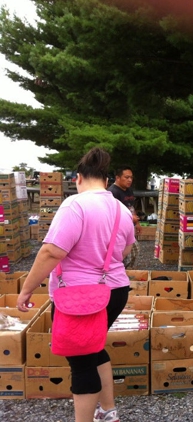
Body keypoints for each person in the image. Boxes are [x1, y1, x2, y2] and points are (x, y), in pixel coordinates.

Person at [17, 147, 135, 422]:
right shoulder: (120, 208)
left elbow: (51, 252)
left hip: (81, 297)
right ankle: (108, 411)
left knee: (81, 363)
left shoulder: (75, 205)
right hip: (116, 291)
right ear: (106, 180)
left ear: (78, 178)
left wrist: (27, 289)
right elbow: (126, 249)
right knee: (95, 348)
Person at [108, 165, 140, 268]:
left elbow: (131, 207)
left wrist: (137, 223)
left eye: (131, 177)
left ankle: (124, 271)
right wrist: (131, 218)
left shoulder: (129, 190)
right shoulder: (113, 192)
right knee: (129, 252)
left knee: (132, 252)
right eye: (126, 177)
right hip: (118, 230)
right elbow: (112, 213)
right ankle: (121, 271)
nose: (130, 180)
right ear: (118, 178)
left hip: (130, 227)